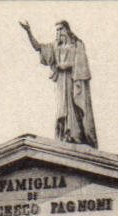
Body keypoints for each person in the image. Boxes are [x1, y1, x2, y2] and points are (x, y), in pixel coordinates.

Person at [21, 20, 97, 148]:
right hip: (62, 82)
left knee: (74, 107)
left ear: (67, 30)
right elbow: (38, 47)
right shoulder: (56, 46)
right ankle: (65, 134)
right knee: (62, 109)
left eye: (61, 29)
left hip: (74, 80)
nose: (58, 32)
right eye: (57, 30)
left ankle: (76, 135)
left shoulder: (77, 45)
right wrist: (29, 31)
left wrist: (65, 65)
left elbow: (81, 64)